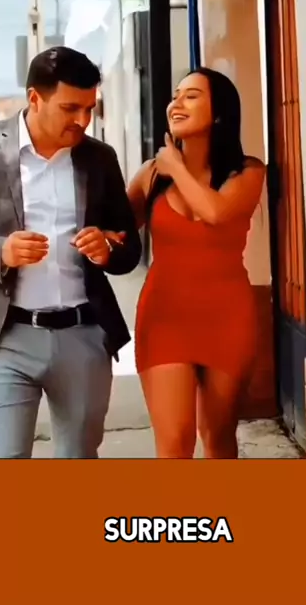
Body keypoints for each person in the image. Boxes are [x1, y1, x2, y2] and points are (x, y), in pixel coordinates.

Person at [0, 46, 141, 459]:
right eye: (70, 108)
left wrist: (107, 250)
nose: (82, 120)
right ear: (34, 98)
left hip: (83, 335)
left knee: (78, 461)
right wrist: (0, 251)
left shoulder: (100, 158)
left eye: (89, 108)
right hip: (2, 336)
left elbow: (128, 246)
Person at [106, 67, 266, 459]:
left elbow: (216, 212)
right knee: (174, 443)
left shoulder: (248, 172)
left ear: (219, 113)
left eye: (191, 96)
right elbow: (117, 233)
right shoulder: (151, 175)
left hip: (228, 316)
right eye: (176, 95)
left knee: (218, 437)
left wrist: (176, 166)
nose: (176, 103)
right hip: (165, 316)